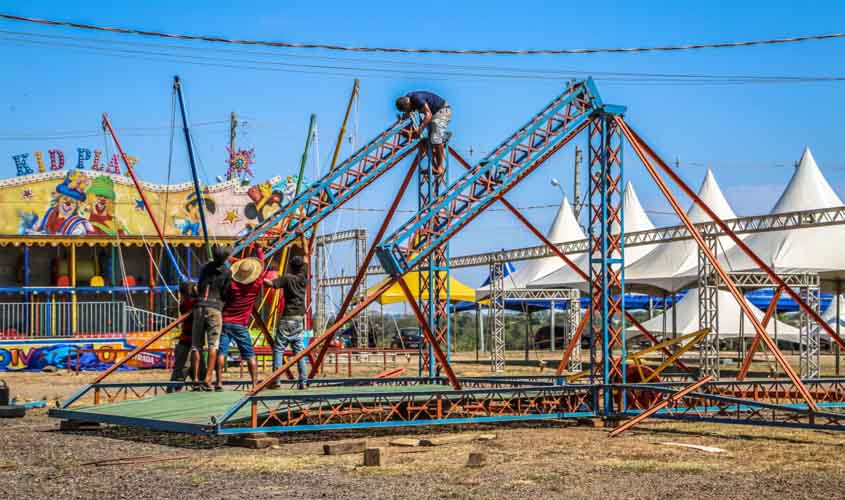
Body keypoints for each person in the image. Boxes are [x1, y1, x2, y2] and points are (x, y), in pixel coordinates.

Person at [215, 247, 268, 390]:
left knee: (221, 352)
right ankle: (254, 383)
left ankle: (219, 381)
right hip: (241, 324)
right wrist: (261, 251)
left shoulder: (232, 285)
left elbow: (227, 275)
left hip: (226, 321)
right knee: (250, 354)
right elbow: (262, 266)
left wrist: (229, 259)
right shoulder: (256, 285)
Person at [264, 255, 309, 389]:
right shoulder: (303, 277)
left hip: (288, 316)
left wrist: (257, 277)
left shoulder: (287, 278)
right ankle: (303, 381)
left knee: (278, 349)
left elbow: (270, 284)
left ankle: (276, 380)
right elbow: (306, 257)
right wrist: (302, 237)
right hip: (299, 318)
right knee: (299, 351)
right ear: (301, 267)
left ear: (290, 266)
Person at [192, 244, 232, 391]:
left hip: (199, 305)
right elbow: (226, 292)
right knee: (213, 345)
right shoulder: (226, 272)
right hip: (214, 307)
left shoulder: (205, 268)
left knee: (196, 346)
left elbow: (199, 286)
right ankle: (208, 378)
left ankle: (196, 379)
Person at [395, 91, 451, 174]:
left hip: (441, 111)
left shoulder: (417, 98)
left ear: (407, 104)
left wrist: (419, 129)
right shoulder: (407, 99)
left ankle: (440, 167)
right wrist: (403, 128)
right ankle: (433, 167)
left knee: (436, 139)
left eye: (407, 109)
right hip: (433, 114)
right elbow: (407, 115)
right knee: (426, 142)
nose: (409, 111)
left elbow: (428, 115)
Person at [168, 281, 206, 392]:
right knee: (181, 372)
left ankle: (195, 386)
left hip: (192, 343)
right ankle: (173, 391)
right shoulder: (188, 303)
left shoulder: (189, 303)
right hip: (187, 343)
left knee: (198, 371)